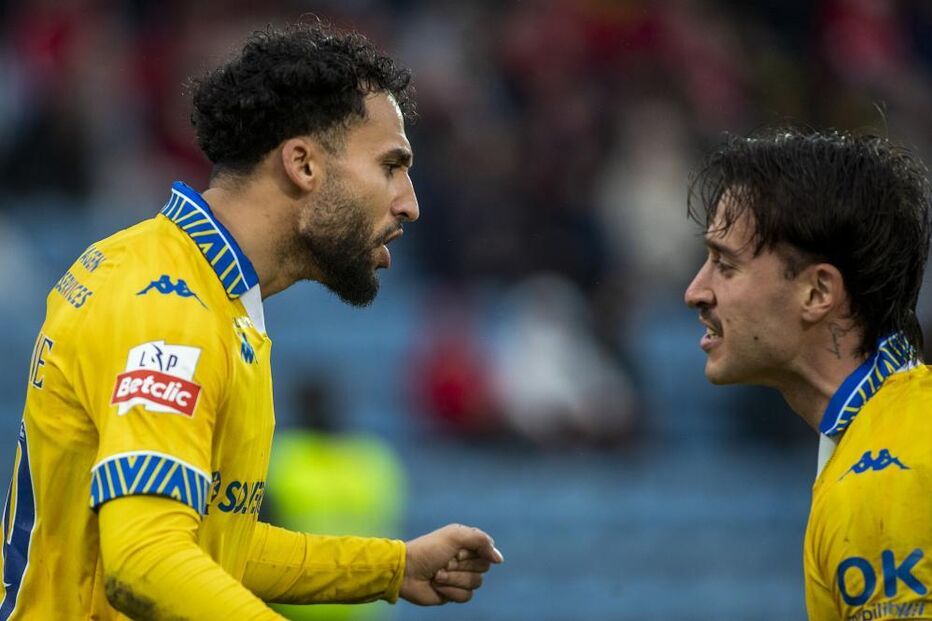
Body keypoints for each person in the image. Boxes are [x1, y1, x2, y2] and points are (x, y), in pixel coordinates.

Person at [0, 22, 502, 619]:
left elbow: (212, 543)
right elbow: (145, 562)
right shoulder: (170, 306)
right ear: (303, 164)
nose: (409, 203)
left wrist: (391, 567)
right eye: (390, 165)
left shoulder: (206, 292)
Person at [684, 128, 932, 621]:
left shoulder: (887, 479)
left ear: (818, 293)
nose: (696, 292)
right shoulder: (893, 434)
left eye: (724, 264)